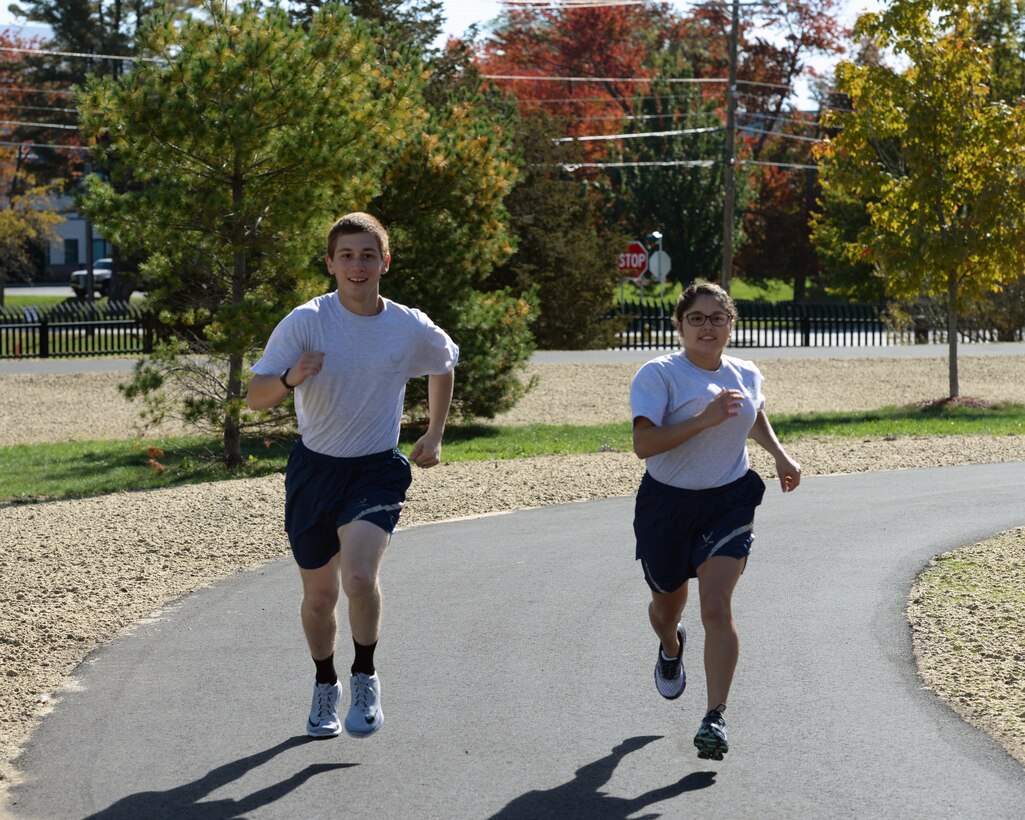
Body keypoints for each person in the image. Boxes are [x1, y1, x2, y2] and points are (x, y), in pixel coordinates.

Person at [246, 212, 458, 739]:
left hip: (376, 468)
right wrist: (293, 377)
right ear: (330, 263)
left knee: (359, 577)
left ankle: (364, 673)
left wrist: (434, 432)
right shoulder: (306, 321)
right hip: (314, 470)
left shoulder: (407, 325)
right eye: (346, 255)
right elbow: (255, 397)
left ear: (384, 261)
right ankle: (326, 684)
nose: (357, 265)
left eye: (367, 254)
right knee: (320, 598)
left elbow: (443, 362)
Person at [629, 282, 800, 761]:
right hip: (666, 505)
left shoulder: (745, 371)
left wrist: (781, 457)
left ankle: (715, 717)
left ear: (731, 324)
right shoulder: (659, 374)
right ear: (679, 325)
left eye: (717, 318)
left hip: (728, 500)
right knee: (667, 606)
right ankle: (670, 645)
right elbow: (644, 446)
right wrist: (703, 420)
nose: (708, 326)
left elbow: (754, 414)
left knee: (717, 606)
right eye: (697, 318)